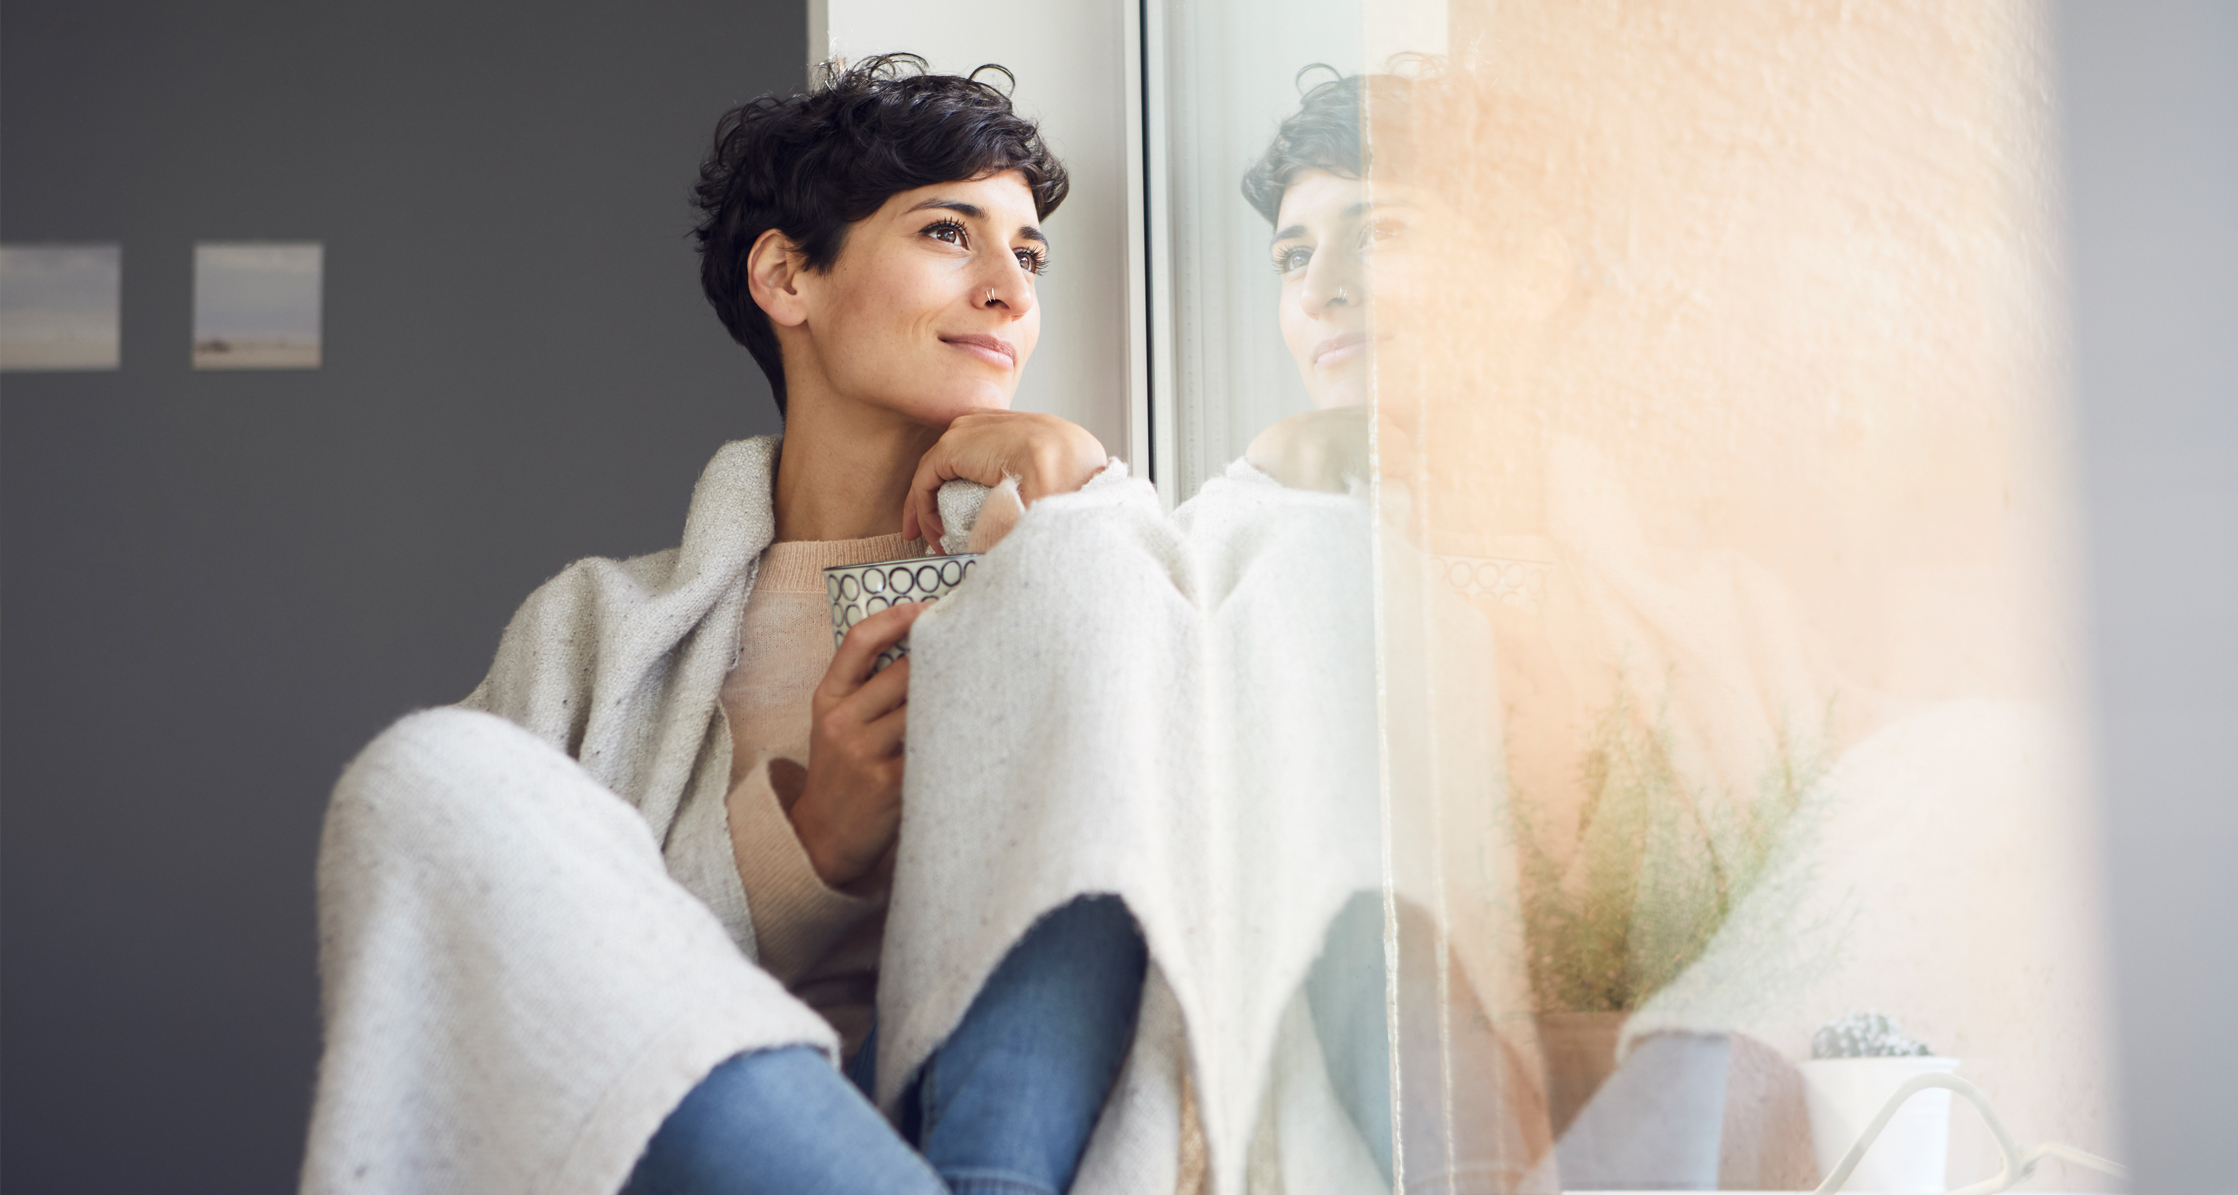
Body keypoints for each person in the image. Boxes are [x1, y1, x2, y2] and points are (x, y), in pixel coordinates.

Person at [304, 56, 1145, 1195]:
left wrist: (1089, 498)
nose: (1011, 291)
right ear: (787, 277)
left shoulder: (1073, 555)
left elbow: (1200, 837)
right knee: (421, 775)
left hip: (1013, 1142)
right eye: (951, 233)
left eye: (1028, 254)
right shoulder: (590, 634)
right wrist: (802, 850)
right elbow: (517, 1004)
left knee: (1096, 588)